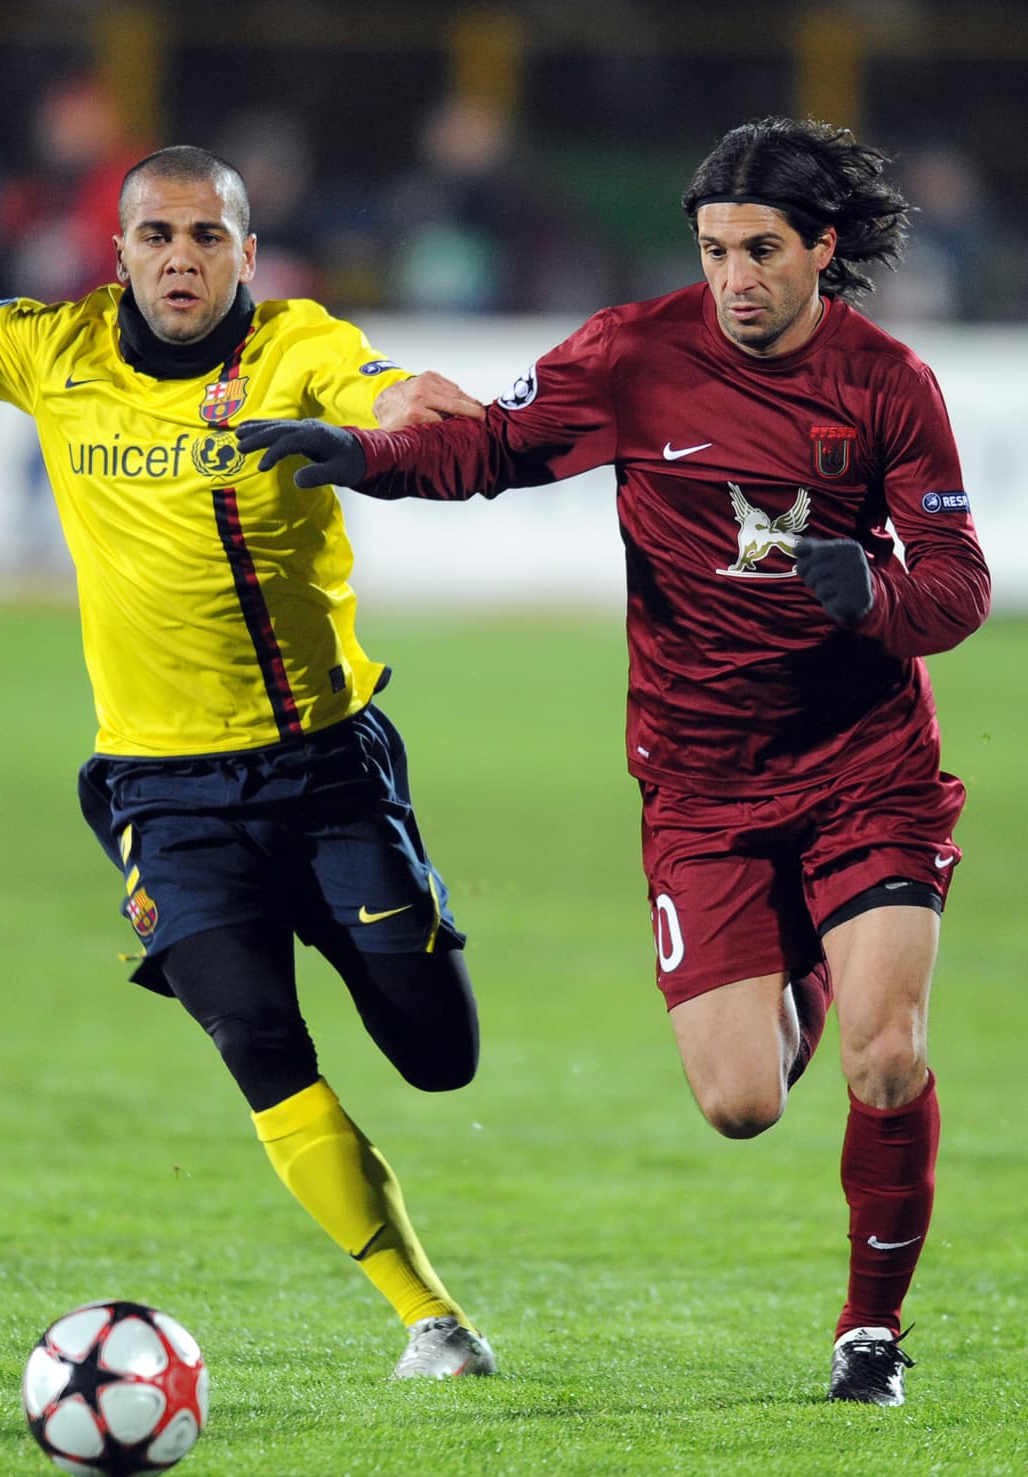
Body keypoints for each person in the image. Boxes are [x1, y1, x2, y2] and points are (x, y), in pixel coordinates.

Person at [237, 116, 991, 1407]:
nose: (733, 278)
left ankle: (870, 1334)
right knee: (740, 1105)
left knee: (884, 1055)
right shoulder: (634, 354)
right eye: (713, 251)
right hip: (699, 783)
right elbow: (489, 449)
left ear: (822, 249)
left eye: (760, 251)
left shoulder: (887, 385)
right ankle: (807, 957)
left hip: (864, 766)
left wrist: (870, 593)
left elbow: (959, 587)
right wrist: (363, 458)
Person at [0, 95, 497, 1380]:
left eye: (206, 236)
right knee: (256, 1044)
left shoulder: (294, 344)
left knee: (440, 1059)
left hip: (324, 771)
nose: (179, 257)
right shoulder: (51, 347)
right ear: (117, 252)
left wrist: (401, 406)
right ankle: (429, 1322)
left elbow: (371, 385)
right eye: (156, 234)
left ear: (246, 255)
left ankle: (375, 921)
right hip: (164, 794)